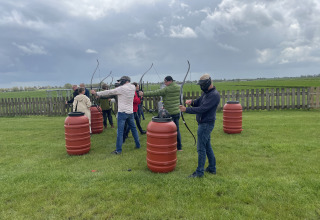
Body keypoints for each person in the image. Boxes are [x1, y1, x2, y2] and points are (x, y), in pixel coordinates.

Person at [179, 74, 220, 178]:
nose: (201, 87)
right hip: (204, 124)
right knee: (207, 146)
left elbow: (202, 108)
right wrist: (191, 102)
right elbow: (198, 102)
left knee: (201, 148)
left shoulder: (214, 95)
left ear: (207, 83)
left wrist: (186, 109)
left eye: (202, 84)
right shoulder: (206, 93)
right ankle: (212, 168)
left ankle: (199, 172)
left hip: (206, 125)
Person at [91, 76, 141, 154]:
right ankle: (138, 145)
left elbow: (109, 92)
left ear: (124, 81)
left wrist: (96, 93)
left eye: (121, 81)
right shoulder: (133, 87)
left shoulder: (121, 88)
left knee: (120, 132)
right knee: (134, 129)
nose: (120, 82)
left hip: (122, 113)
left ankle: (118, 150)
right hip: (130, 112)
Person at [139, 76, 182, 151]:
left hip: (169, 113)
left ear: (170, 81)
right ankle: (179, 147)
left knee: (168, 131)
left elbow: (155, 93)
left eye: (165, 82)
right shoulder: (178, 88)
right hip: (177, 111)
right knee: (176, 130)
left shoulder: (167, 89)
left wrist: (143, 94)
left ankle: (170, 145)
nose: (165, 83)